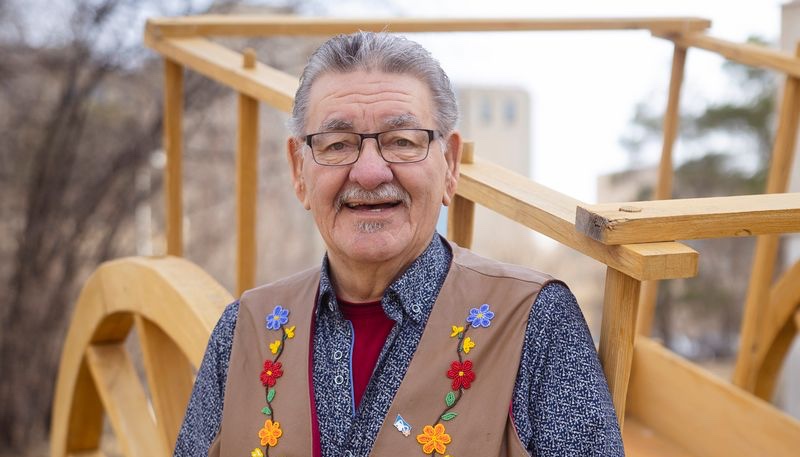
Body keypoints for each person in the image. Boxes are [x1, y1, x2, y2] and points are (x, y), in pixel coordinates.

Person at [174, 31, 623, 457]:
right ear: (298, 171)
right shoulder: (244, 331)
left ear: (449, 165)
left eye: (402, 141)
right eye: (337, 144)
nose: (370, 173)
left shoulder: (533, 321)